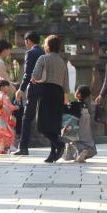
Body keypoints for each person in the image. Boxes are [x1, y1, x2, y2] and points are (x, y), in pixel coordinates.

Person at [31, 35, 69, 163]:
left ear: (47, 46)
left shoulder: (43, 58)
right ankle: (53, 154)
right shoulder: (62, 61)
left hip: (46, 91)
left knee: (41, 124)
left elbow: (35, 75)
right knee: (54, 124)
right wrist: (67, 98)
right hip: (58, 93)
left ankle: (59, 144)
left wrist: (34, 79)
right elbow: (66, 83)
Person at [13, 31, 44, 156]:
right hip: (45, 88)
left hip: (34, 88)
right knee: (43, 116)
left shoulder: (30, 53)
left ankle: (23, 147)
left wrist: (21, 89)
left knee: (26, 118)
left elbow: (27, 73)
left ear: (28, 41)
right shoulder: (43, 52)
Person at [62, 85, 97, 163]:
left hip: (77, 125)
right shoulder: (85, 104)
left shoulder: (75, 104)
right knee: (85, 141)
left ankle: (79, 153)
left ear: (79, 94)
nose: (75, 92)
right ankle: (81, 155)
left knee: (74, 140)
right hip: (86, 126)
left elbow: (71, 115)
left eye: (76, 91)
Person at [0, 78, 19, 154]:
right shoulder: (4, 96)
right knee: (10, 133)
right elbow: (8, 106)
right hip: (3, 118)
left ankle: (1, 149)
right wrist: (15, 107)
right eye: (7, 86)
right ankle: (11, 147)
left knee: (1, 135)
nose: (8, 88)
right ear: (2, 87)